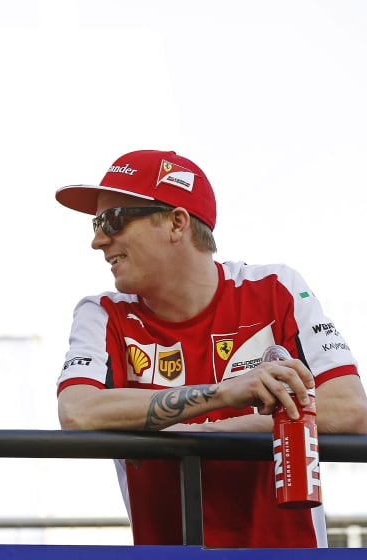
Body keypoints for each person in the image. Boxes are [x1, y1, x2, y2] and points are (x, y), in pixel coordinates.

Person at [54, 149, 367, 548]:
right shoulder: (102, 312)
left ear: (176, 222)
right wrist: (228, 393)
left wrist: (199, 431)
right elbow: (78, 413)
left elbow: (350, 410)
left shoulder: (275, 288)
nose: (98, 240)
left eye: (111, 220)